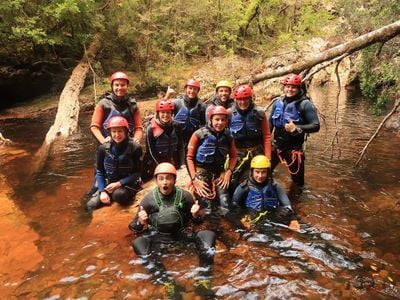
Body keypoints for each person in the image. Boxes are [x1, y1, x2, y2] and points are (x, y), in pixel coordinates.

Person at [129, 163, 216, 298]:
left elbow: (198, 223)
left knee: (208, 235)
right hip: (158, 237)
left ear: (174, 180)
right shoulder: (148, 199)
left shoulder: (185, 196)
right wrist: (141, 221)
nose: (165, 182)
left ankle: (203, 280)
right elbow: (134, 228)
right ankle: (168, 283)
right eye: (161, 178)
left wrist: (196, 215)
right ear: (156, 181)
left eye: (168, 178)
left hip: (182, 235)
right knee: (138, 243)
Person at [269, 74, 320, 187]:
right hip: (276, 145)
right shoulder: (278, 103)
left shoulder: (305, 104)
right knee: (264, 173)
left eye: (293, 87)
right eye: (287, 86)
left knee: (298, 183)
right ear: (284, 87)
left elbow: (316, 126)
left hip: (293, 149)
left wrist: (297, 128)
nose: (290, 89)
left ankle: (297, 202)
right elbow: (270, 125)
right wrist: (266, 144)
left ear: (299, 88)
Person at [86, 116, 142, 211]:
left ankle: (121, 195)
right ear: (110, 133)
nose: (117, 135)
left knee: (118, 195)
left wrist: (119, 184)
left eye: (120, 131)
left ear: (125, 131)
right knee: (90, 206)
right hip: (109, 183)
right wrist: (102, 191)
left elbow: (138, 173)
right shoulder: (103, 148)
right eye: (114, 132)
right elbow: (100, 171)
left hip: (127, 183)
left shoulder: (135, 148)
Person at [186, 106, 238, 211]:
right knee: (207, 207)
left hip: (219, 173)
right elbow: (189, 158)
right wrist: (194, 179)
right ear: (210, 120)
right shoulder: (198, 134)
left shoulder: (228, 136)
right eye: (217, 119)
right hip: (201, 172)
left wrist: (228, 172)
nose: (220, 122)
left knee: (225, 203)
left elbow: (234, 156)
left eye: (223, 120)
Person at [232, 155, 300, 231]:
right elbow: (235, 208)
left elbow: (287, 205)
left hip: (272, 213)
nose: (260, 176)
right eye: (257, 172)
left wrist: (293, 220)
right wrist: (242, 220)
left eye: (263, 172)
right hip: (252, 215)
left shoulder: (275, 185)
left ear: (268, 172)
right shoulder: (243, 187)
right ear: (252, 171)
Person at [229, 84, 271, 194]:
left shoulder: (259, 113)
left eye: (245, 99)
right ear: (236, 100)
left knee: (262, 179)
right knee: (233, 179)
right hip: (238, 153)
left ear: (250, 98)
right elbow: (226, 137)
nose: (243, 102)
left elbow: (267, 137)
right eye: (240, 99)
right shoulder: (229, 114)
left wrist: (268, 158)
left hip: (256, 151)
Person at [90, 71, 143, 144]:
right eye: (116, 85)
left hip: (128, 145)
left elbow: (138, 128)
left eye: (123, 85)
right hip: (107, 144)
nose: (120, 88)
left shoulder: (133, 105)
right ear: (112, 86)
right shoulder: (103, 104)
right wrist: (104, 142)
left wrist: (136, 140)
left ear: (127, 86)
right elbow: (94, 127)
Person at [142, 99, 185, 182]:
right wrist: (161, 168)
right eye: (163, 112)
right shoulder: (150, 129)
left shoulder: (176, 126)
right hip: (155, 163)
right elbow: (151, 153)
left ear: (172, 114)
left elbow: (181, 147)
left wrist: (182, 163)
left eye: (168, 112)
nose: (165, 115)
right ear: (158, 114)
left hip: (172, 160)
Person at [173, 79, 206, 149]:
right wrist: (167, 97)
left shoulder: (202, 106)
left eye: (195, 89)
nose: (192, 91)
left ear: (198, 91)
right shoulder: (177, 103)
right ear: (185, 89)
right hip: (178, 138)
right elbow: (164, 114)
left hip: (194, 138)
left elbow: (204, 124)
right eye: (190, 88)